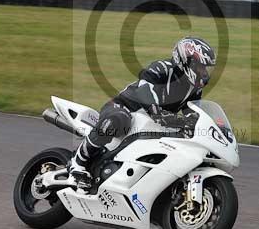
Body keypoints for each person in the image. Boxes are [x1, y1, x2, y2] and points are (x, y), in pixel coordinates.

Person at [68, 36, 217, 189]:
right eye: (200, 66)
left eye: (205, 68)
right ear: (187, 61)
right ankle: (78, 163)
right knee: (119, 119)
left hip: (152, 123)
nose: (204, 72)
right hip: (123, 107)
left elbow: (192, 112)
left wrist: (199, 125)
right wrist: (155, 111)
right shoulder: (162, 68)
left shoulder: (193, 89)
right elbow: (145, 89)